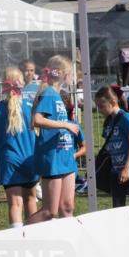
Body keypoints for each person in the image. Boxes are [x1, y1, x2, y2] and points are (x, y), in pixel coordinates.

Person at [27, 55, 80, 223]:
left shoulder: (58, 95)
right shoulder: (48, 93)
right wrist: (65, 125)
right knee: (50, 211)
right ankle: (23, 232)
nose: (73, 76)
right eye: (71, 73)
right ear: (62, 73)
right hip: (52, 157)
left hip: (65, 155)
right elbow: (37, 120)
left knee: (67, 207)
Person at [0, 67, 39, 228]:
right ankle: (34, 237)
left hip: (9, 161)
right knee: (31, 199)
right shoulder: (31, 106)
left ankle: (18, 240)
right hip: (30, 159)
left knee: (15, 204)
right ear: (21, 83)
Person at [95, 86, 129, 208]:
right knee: (117, 207)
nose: (99, 110)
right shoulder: (108, 122)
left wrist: (126, 168)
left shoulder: (126, 117)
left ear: (113, 102)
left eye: (101, 106)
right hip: (115, 171)